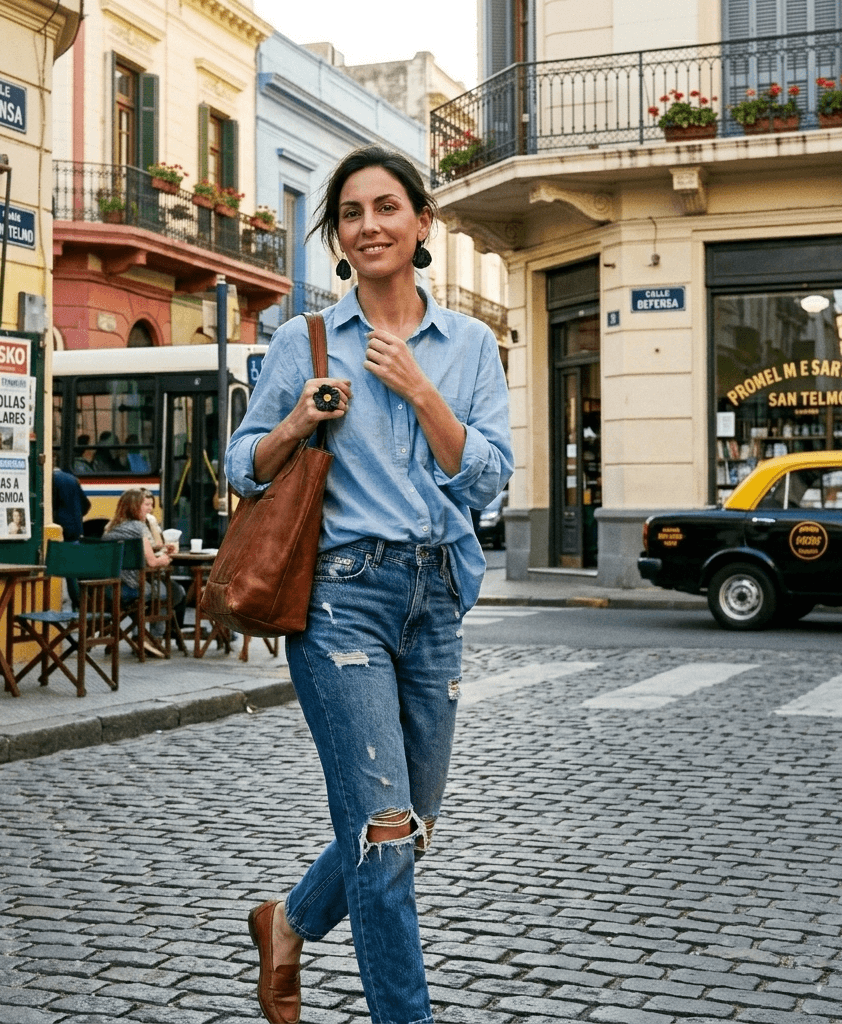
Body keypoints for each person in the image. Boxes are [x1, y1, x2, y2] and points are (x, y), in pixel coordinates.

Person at [226, 145, 513, 1024]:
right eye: (352, 213)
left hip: (434, 599)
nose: (370, 225)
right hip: (341, 597)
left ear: (422, 223)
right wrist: (298, 419)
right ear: (338, 237)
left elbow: (489, 479)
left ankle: (290, 919)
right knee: (384, 832)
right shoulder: (305, 340)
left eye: (388, 207)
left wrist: (423, 393)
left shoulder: (467, 345)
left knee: (410, 823)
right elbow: (243, 466)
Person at [102, 488, 188, 658]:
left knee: (160, 592)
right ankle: (154, 639)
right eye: (145, 505)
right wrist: (167, 557)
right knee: (172, 592)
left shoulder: (111, 529)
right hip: (135, 587)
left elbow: (139, 548)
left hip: (110, 588)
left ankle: (138, 635)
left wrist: (160, 548)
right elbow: (153, 562)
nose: (149, 509)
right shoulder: (139, 527)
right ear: (134, 507)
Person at [52, 466, 92, 608]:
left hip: (61, 529)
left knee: (67, 569)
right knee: (73, 569)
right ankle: (79, 601)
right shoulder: (71, 478)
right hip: (75, 528)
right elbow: (86, 505)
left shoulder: (50, 479)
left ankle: (78, 600)